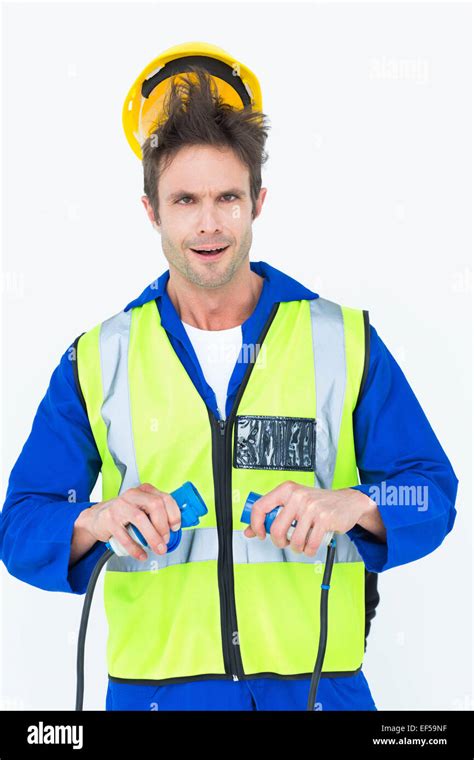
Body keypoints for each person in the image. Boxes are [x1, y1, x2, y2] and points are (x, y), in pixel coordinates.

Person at [0, 66, 458, 712]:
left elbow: (431, 492)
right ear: (151, 209)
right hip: (155, 700)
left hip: (319, 695)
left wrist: (352, 505)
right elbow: (21, 525)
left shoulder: (342, 340)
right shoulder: (98, 359)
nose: (209, 225)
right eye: (185, 201)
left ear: (258, 202)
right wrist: (96, 519)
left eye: (228, 199)